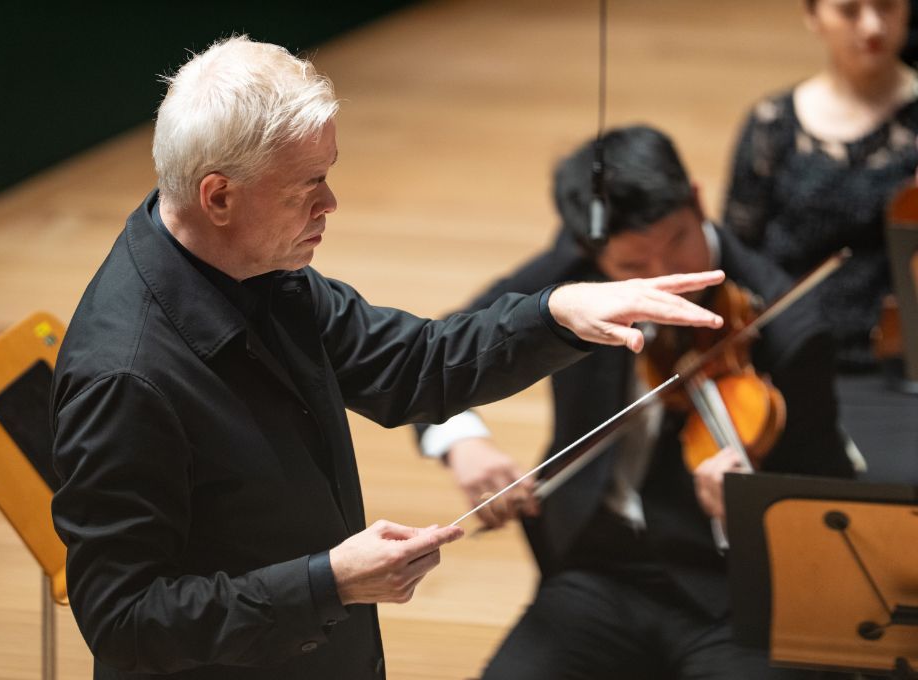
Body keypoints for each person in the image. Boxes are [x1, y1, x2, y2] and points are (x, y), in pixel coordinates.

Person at [50, 38, 726, 680]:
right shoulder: (126, 378)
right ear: (218, 196)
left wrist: (555, 314)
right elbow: (123, 619)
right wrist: (329, 582)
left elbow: (414, 368)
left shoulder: (251, 267)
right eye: (306, 186)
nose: (331, 204)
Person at [417, 125, 856, 680]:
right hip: (600, 568)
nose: (663, 282)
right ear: (589, 251)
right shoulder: (575, 276)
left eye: (677, 243)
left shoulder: (791, 327)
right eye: (631, 268)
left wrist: (756, 502)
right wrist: (465, 441)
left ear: (696, 201)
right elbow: (440, 358)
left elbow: (832, 504)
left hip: (735, 591)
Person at [723, 0, 918, 477]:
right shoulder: (772, 124)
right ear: (813, 17)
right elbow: (737, 252)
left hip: (896, 372)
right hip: (789, 358)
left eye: (887, 6)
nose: (872, 26)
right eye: (849, 10)